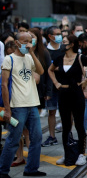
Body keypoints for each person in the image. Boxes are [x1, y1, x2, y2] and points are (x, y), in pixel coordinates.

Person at [48, 35, 87, 166]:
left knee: (78, 124)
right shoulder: (59, 58)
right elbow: (50, 70)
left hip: (76, 93)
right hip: (63, 93)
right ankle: (67, 153)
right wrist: (56, 83)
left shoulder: (80, 57)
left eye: (64, 42)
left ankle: (81, 154)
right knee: (66, 125)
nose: (62, 44)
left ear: (71, 44)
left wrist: (86, 81)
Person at [0, 32, 46, 177]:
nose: (28, 44)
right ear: (17, 42)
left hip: (33, 104)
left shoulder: (29, 57)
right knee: (13, 139)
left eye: (30, 41)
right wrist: (7, 109)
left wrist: (32, 54)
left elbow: (41, 71)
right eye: (24, 41)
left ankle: (31, 169)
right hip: (18, 106)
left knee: (37, 137)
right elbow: (4, 85)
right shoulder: (9, 59)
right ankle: (2, 171)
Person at [42, 26, 64, 147]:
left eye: (60, 33)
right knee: (51, 112)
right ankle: (52, 136)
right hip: (51, 87)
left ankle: (68, 134)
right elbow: (45, 70)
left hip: (64, 85)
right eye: (57, 34)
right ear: (50, 36)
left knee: (67, 112)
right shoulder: (45, 51)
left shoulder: (64, 49)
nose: (60, 36)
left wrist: (56, 68)